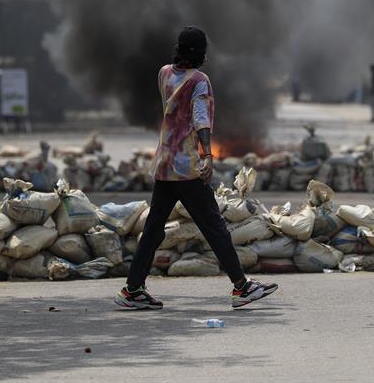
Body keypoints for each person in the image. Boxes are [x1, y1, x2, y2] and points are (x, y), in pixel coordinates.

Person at [115, 27, 278, 310]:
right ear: (201, 52)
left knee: (154, 228)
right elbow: (201, 119)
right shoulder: (200, 81)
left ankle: (133, 289)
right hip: (187, 167)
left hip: (165, 162)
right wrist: (207, 156)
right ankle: (241, 287)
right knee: (214, 226)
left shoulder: (164, 73)